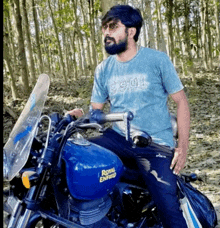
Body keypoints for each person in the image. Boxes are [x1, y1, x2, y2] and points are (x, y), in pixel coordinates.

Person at [67, 4, 190, 228]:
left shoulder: (156, 60)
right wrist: (78, 115)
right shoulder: (103, 69)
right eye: (104, 28)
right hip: (118, 139)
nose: (106, 33)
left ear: (131, 31)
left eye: (112, 27)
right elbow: (96, 110)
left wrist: (182, 147)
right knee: (75, 156)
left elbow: (181, 102)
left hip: (154, 144)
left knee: (169, 210)